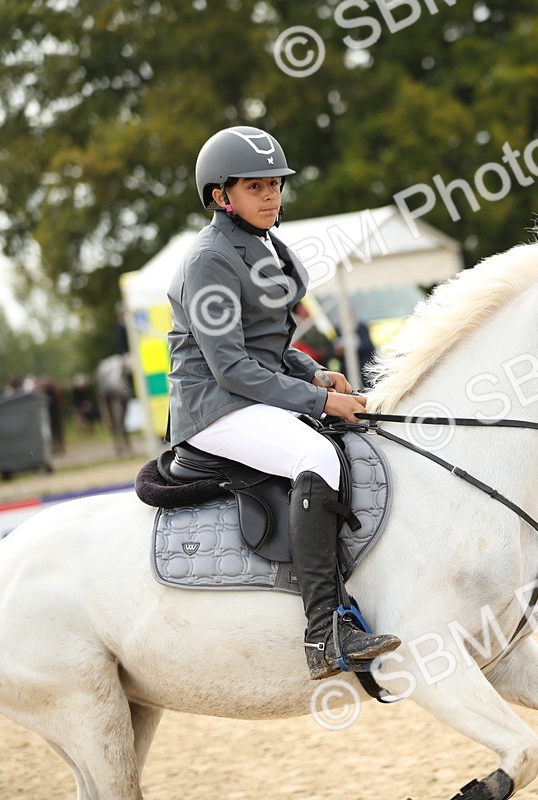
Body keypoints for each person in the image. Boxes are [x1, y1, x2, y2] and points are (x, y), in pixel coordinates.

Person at [166, 125, 400, 680]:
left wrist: (317, 372)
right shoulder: (210, 261)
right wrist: (319, 401)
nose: (271, 196)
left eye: (275, 184)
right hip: (213, 406)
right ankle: (325, 632)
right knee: (314, 456)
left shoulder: (265, 245)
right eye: (256, 187)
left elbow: (267, 347)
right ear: (222, 197)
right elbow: (232, 366)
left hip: (248, 392)